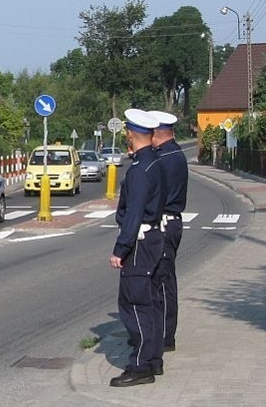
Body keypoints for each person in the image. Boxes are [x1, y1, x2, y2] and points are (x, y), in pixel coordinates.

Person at [109, 109, 164, 388]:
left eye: (127, 133)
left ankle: (140, 365)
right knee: (151, 303)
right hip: (153, 239)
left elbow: (133, 213)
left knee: (135, 304)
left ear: (131, 134)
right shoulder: (154, 162)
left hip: (140, 244)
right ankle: (153, 359)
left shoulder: (140, 170)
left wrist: (121, 249)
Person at [148, 110, 188, 374]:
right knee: (162, 279)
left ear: (156, 134)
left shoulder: (164, 159)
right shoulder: (174, 153)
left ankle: (165, 337)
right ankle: (161, 333)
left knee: (163, 281)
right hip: (170, 221)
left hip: (164, 222)